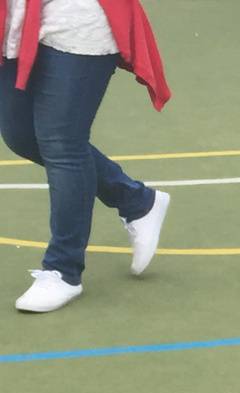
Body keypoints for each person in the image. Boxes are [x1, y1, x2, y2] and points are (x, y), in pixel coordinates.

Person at [0, 0, 171, 313]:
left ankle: (63, 270)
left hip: (80, 16)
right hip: (16, 17)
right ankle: (137, 201)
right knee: (20, 134)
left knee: (62, 142)